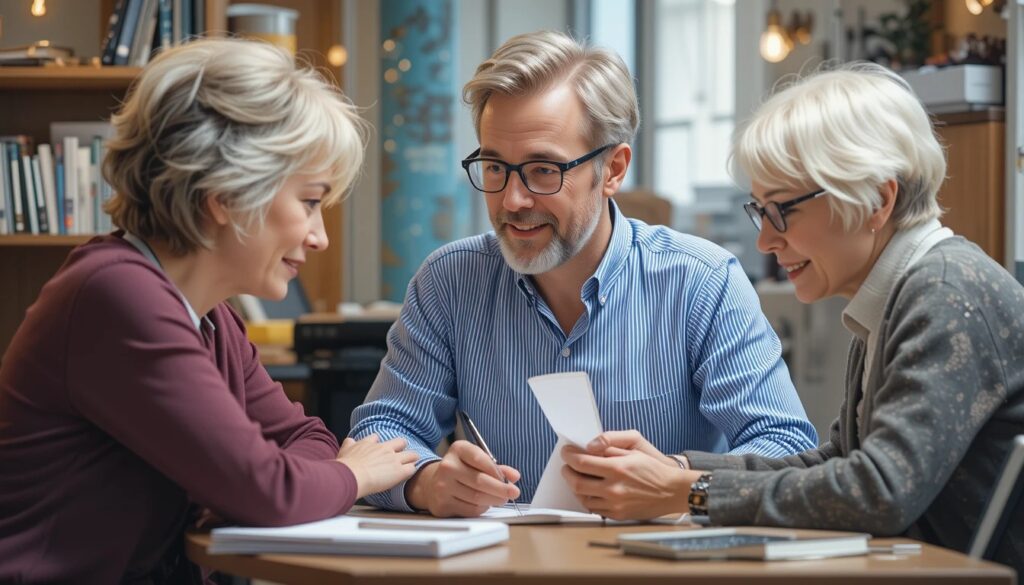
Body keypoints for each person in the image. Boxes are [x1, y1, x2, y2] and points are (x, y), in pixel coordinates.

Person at [562, 62, 1024, 567]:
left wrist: (690, 492)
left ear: (877, 199)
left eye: (783, 210)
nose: (765, 239)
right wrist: (678, 469)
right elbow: (840, 464)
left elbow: (880, 491)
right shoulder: (902, 293)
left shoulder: (944, 292)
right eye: (760, 211)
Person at [349, 30, 817, 518]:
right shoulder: (449, 282)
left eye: (543, 170)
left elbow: (784, 448)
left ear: (613, 169)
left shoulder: (702, 282)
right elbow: (378, 433)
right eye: (494, 167)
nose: (512, 200)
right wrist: (428, 482)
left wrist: (673, 477)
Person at [0, 39, 418, 583]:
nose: (318, 237)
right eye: (310, 202)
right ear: (225, 194)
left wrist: (265, 486)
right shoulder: (116, 297)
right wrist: (351, 474)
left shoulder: (211, 317)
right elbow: (271, 488)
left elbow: (304, 439)